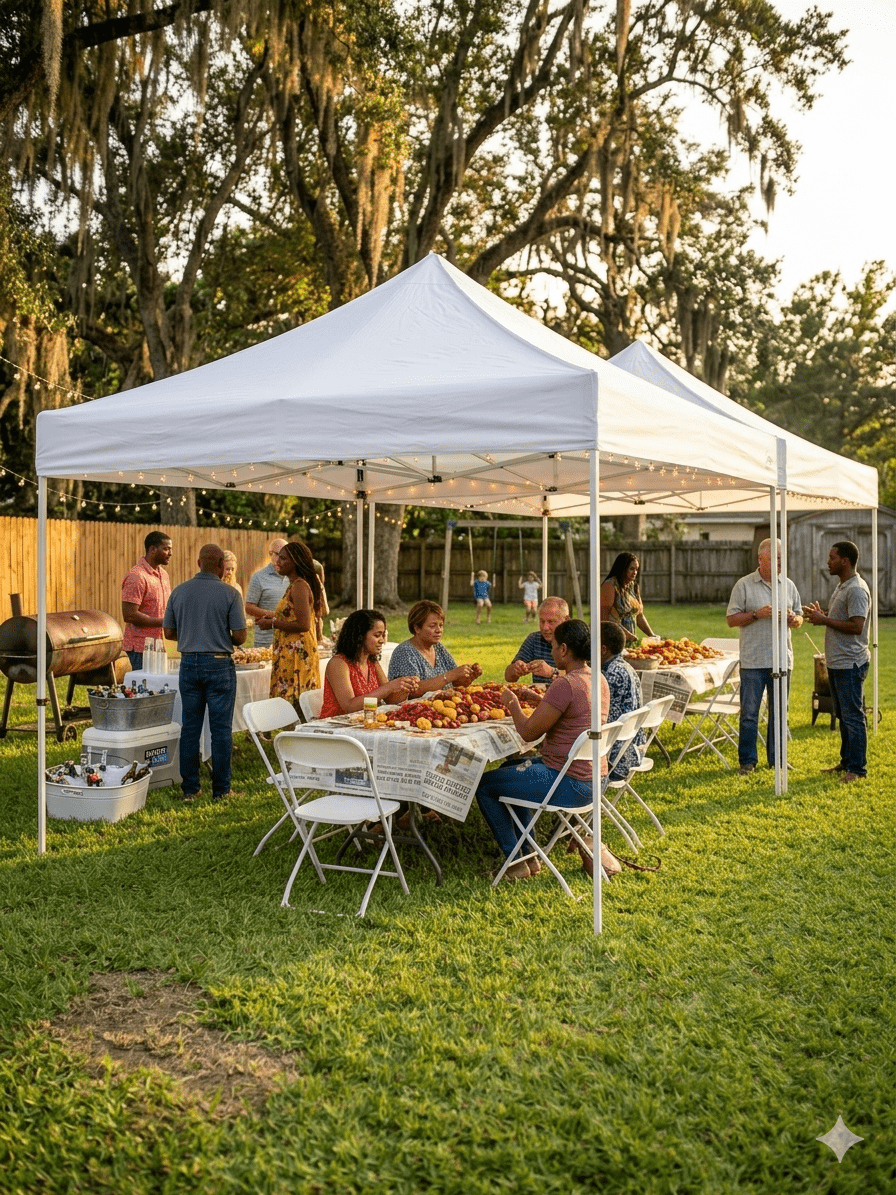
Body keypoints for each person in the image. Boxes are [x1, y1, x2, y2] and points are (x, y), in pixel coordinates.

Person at [475, 619, 610, 881]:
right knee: (508, 769)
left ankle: (515, 862)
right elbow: (574, 715)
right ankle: (531, 857)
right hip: (595, 780)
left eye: (554, 646)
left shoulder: (565, 684)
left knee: (484, 785)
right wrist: (540, 701)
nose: (550, 651)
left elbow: (527, 733)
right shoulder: (596, 678)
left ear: (564, 650)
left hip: (569, 782)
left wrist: (512, 703)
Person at [163, 543, 246, 802]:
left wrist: (190, 634)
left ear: (198, 563)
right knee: (220, 730)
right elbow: (241, 637)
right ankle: (221, 790)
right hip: (219, 663)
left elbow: (168, 632)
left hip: (188, 663)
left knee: (190, 727)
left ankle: (191, 789)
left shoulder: (179, 591)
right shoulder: (230, 593)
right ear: (222, 565)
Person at [726, 538, 803, 775]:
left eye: (782, 558)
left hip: (782, 659)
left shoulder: (788, 585)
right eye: (775, 558)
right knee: (749, 714)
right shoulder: (744, 585)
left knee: (779, 713)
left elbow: (800, 618)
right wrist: (756, 615)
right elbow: (731, 620)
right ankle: (747, 762)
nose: (780, 562)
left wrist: (793, 619)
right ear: (760, 558)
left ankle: (777, 760)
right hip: (754, 661)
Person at [805, 541, 871, 783]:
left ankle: (858, 770)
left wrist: (824, 620)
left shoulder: (856, 589)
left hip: (850, 663)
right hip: (836, 662)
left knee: (853, 716)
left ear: (845, 561)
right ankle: (846, 763)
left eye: (832, 557)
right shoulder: (842, 586)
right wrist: (821, 615)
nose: (828, 561)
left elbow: (856, 626)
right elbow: (840, 619)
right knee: (844, 715)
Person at [257, 540, 323, 717]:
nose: (277, 562)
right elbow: (293, 616)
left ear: (295, 562)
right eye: (278, 557)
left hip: (298, 656)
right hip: (289, 652)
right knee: (291, 704)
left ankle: (300, 739)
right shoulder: (294, 585)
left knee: (298, 703)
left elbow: (303, 624)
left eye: (283, 558)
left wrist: (272, 623)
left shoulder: (300, 586)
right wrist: (274, 618)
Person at [319, 609, 419, 717]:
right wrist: (389, 687)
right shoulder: (338, 663)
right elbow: (349, 706)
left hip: (364, 723)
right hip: (335, 728)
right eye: (377, 635)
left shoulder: (372, 661)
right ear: (360, 636)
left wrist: (404, 686)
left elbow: (390, 700)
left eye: (383, 635)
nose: (382, 641)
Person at [388, 600, 482, 692]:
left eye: (441, 625)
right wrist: (449, 676)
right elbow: (412, 692)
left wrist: (469, 676)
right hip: (416, 706)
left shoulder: (438, 648)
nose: (439, 630)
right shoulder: (404, 652)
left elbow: (455, 683)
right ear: (417, 628)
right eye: (432, 626)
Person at [121, 530, 173, 670]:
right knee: (146, 689)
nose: (170, 553)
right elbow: (129, 615)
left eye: (170, 549)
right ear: (152, 549)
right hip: (140, 648)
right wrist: (165, 622)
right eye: (166, 549)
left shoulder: (164, 575)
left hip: (160, 645)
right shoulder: (136, 576)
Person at [600, 620, 644, 780]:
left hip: (618, 759)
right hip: (631, 748)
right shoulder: (621, 665)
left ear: (603, 650)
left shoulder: (612, 675)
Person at [504, 597, 570, 685]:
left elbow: (588, 677)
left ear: (566, 620)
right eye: (542, 621)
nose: (545, 628)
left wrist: (552, 672)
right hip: (541, 697)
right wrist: (515, 669)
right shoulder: (535, 639)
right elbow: (508, 677)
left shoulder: (577, 640)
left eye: (551, 622)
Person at [600, 552, 657, 643]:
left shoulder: (633, 586)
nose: (635, 572)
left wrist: (652, 635)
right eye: (631, 569)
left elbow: (639, 615)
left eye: (636, 569)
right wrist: (625, 634)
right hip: (612, 641)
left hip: (629, 640)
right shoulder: (609, 585)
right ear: (622, 568)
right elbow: (603, 617)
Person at [245, 538, 289, 648]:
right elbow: (249, 607)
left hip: (289, 639)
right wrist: (275, 615)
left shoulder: (292, 577)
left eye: (285, 556)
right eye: (277, 554)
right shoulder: (259, 577)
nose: (280, 559)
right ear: (271, 554)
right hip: (265, 641)